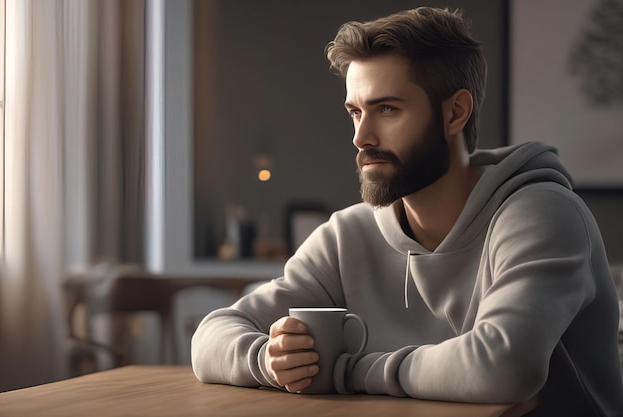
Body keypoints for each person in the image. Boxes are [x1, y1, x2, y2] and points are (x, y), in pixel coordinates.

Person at [191, 7, 623, 416]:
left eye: (387, 109)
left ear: (455, 112)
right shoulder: (348, 236)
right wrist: (270, 361)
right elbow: (210, 337)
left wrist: (342, 370)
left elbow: (507, 367)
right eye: (355, 112)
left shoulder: (542, 214)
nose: (362, 136)